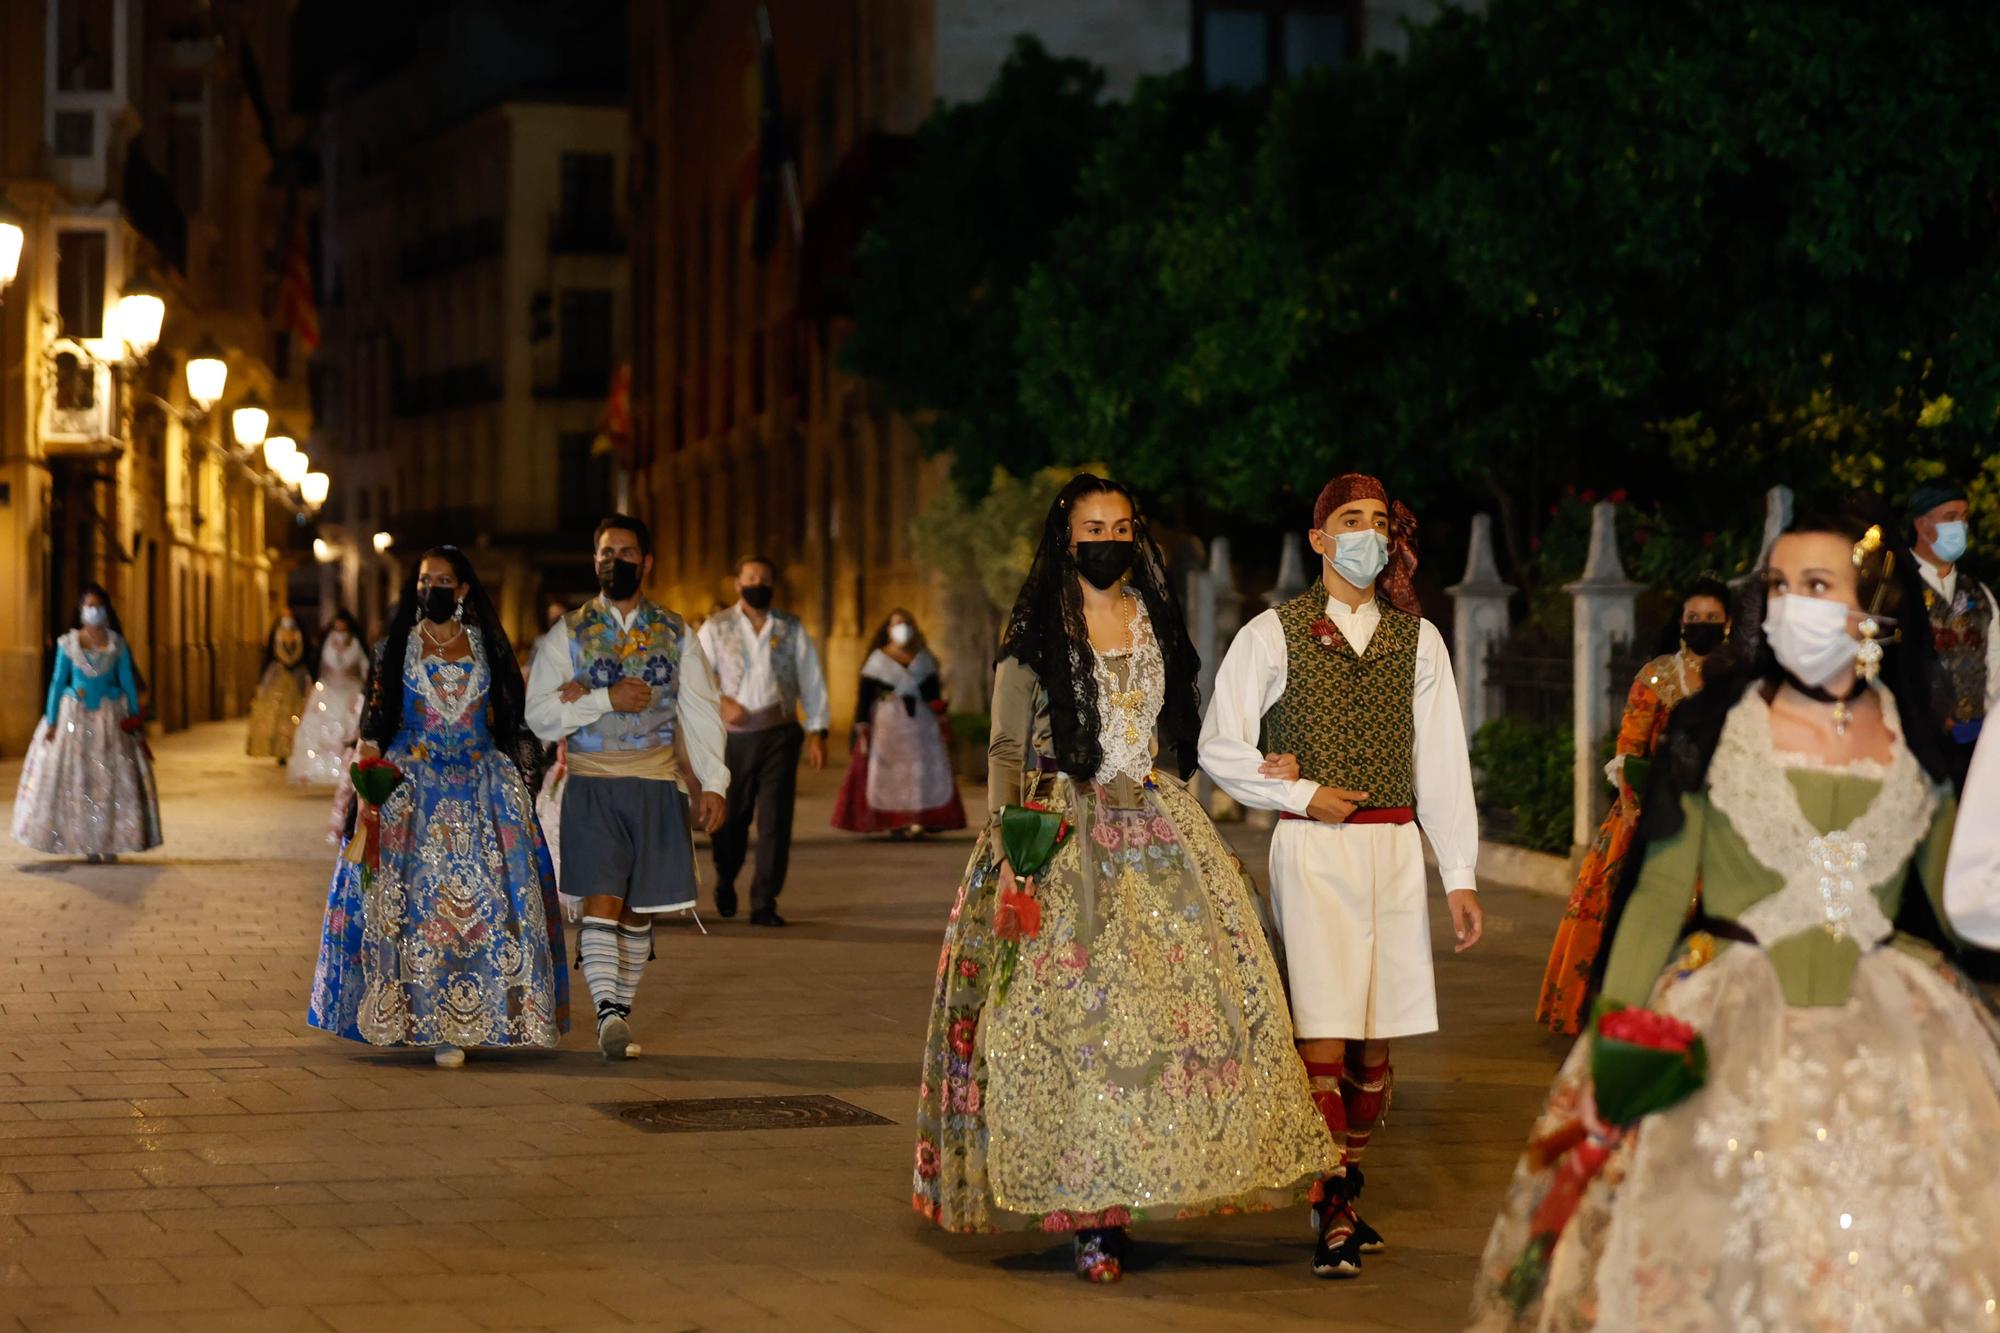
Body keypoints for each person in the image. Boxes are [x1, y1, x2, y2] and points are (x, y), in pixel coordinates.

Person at [1469, 506, 2000, 1329]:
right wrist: (1614, 1042)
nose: (1794, 604)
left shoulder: (1914, 744)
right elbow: (1652, 896)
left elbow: (1964, 903)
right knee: (1722, 1254)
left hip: (1891, 1033)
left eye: (1818, 585)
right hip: (1730, 1019)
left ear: (1870, 613)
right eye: (1780, 586)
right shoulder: (1711, 728)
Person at [913, 474, 1336, 1284]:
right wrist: (1011, 853)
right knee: (1081, 1029)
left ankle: (1136, 1185)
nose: (1106, 536)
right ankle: (1090, 1218)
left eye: (1119, 523)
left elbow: (1192, 728)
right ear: (1066, 538)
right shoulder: (1037, 625)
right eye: (1090, 526)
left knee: (1171, 1022)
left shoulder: (1155, 615)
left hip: (1159, 833)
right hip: (1059, 838)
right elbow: (1005, 750)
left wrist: (1260, 762)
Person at [1199, 471, 1482, 1278]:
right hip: (1315, 852)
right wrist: (1293, 788)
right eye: (1350, 520)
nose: (1368, 532)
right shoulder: (1271, 633)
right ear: (1319, 539)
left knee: (1374, 1035)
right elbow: (1220, 745)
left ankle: (1345, 1179)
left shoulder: (1417, 639)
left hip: (1392, 850)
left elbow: (1442, 762)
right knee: (1322, 1024)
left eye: (1380, 520)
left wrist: (1457, 871)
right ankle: (1332, 1203)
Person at [307, 547, 568, 1068]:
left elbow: (514, 718)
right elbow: (376, 722)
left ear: (464, 589)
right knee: (418, 905)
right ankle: (427, 1019)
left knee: (495, 901)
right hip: (414, 785)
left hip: (480, 781)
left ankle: (490, 1015)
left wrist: (522, 777)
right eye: (427, 580)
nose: (435, 589)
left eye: (445, 580)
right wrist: (369, 785)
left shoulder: (487, 648)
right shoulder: (395, 647)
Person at [525, 514, 729, 1060]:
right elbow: (540, 716)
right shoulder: (567, 633)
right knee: (602, 902)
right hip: (592, 783)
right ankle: (609, 1014)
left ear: (647, 562)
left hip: (658, 783)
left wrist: (714, 781)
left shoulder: (676, 630)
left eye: (627, 551)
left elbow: (702, 710)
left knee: (641, 911)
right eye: (606, 552)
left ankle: (621, 1005)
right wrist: (603, 700)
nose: (615, 560)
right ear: (594, 561)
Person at [1535, 578, 1732, 1034]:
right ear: (1681, 624)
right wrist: (1631, 805)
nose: (1701, 626)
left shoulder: (1744, 677)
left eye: (1711, 619)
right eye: (1693, 618)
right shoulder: (1657, 677)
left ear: (1729, 623)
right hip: (1655, 811)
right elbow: (1630, 747)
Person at [697, 555, 830, 926]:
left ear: (773, 585)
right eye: (751, 577)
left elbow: (811, 679)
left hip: (779, 733)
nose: (758, 584)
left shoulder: (790, 627)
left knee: (775, 820)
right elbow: (694, 676)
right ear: (738, 583)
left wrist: (818, 731)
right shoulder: (716, 627)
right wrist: (720, 703)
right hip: (733, 738)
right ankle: (726, 877)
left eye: (765, 578)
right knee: (733, 817)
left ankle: (764, 900)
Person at [11, 583, 161, 861]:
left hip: (111, 721)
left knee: (111, 781)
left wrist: (135, 716)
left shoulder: (117, 644)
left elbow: (127, 681)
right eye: (88, 606)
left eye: (98, 605)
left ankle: (111, 841)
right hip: (74, 720)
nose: (93, 611)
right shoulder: (68, 644)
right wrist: (53, 719)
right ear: (81, 611)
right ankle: (86, 842)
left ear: (106, 610)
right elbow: (58, 683)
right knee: (80, 780)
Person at [831, 609, 967, 838]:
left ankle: (919, 820)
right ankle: (894, 821)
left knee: (920, 772)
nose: (901, 628)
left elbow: (934, 695)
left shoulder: (923, 660)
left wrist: (942, 717)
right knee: (890, 773)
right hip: (888, 725)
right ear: (887, 630)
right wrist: (861, 727)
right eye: (896, 624)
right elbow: (864, 700)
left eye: (906, 623)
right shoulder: (877, 662)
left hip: (921, 726)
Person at [1908, 480, 1998, 757]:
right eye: (1950, 518)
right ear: (1923, 526)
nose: (1961, 527)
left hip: (1977, 744)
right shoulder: (1899, 591)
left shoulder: (1978, 593)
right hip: (1918, 745)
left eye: (1964, 517)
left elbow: (1996, 663)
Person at [289, 610, 368, 786]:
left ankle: (345, 769)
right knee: (316, 722)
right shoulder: (328, 641)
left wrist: (363, 682)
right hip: (328, 687)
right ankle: (316, 770)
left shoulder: (354, 642)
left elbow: (363, 664)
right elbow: (322, 663)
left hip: (349, 687)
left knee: (349, 722)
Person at [247, 609, 314, 762]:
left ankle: (293, 746)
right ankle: (280, 749)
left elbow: (306, 655)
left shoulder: (299, 635)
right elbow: (270, 654)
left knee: (296, 713)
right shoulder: (276, 636)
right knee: (277, 715)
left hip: (297, 676)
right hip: (279, 676)